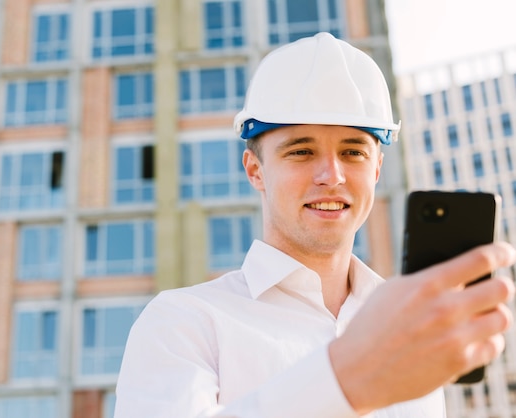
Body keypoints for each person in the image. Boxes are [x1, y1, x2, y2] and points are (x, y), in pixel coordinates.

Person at [114, 32, 516, 417]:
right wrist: (347, 380)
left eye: (353, 152)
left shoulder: (411, 323)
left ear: (377, 169)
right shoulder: (183, 321)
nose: (331, 175)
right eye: (302, 151)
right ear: (255, 170)